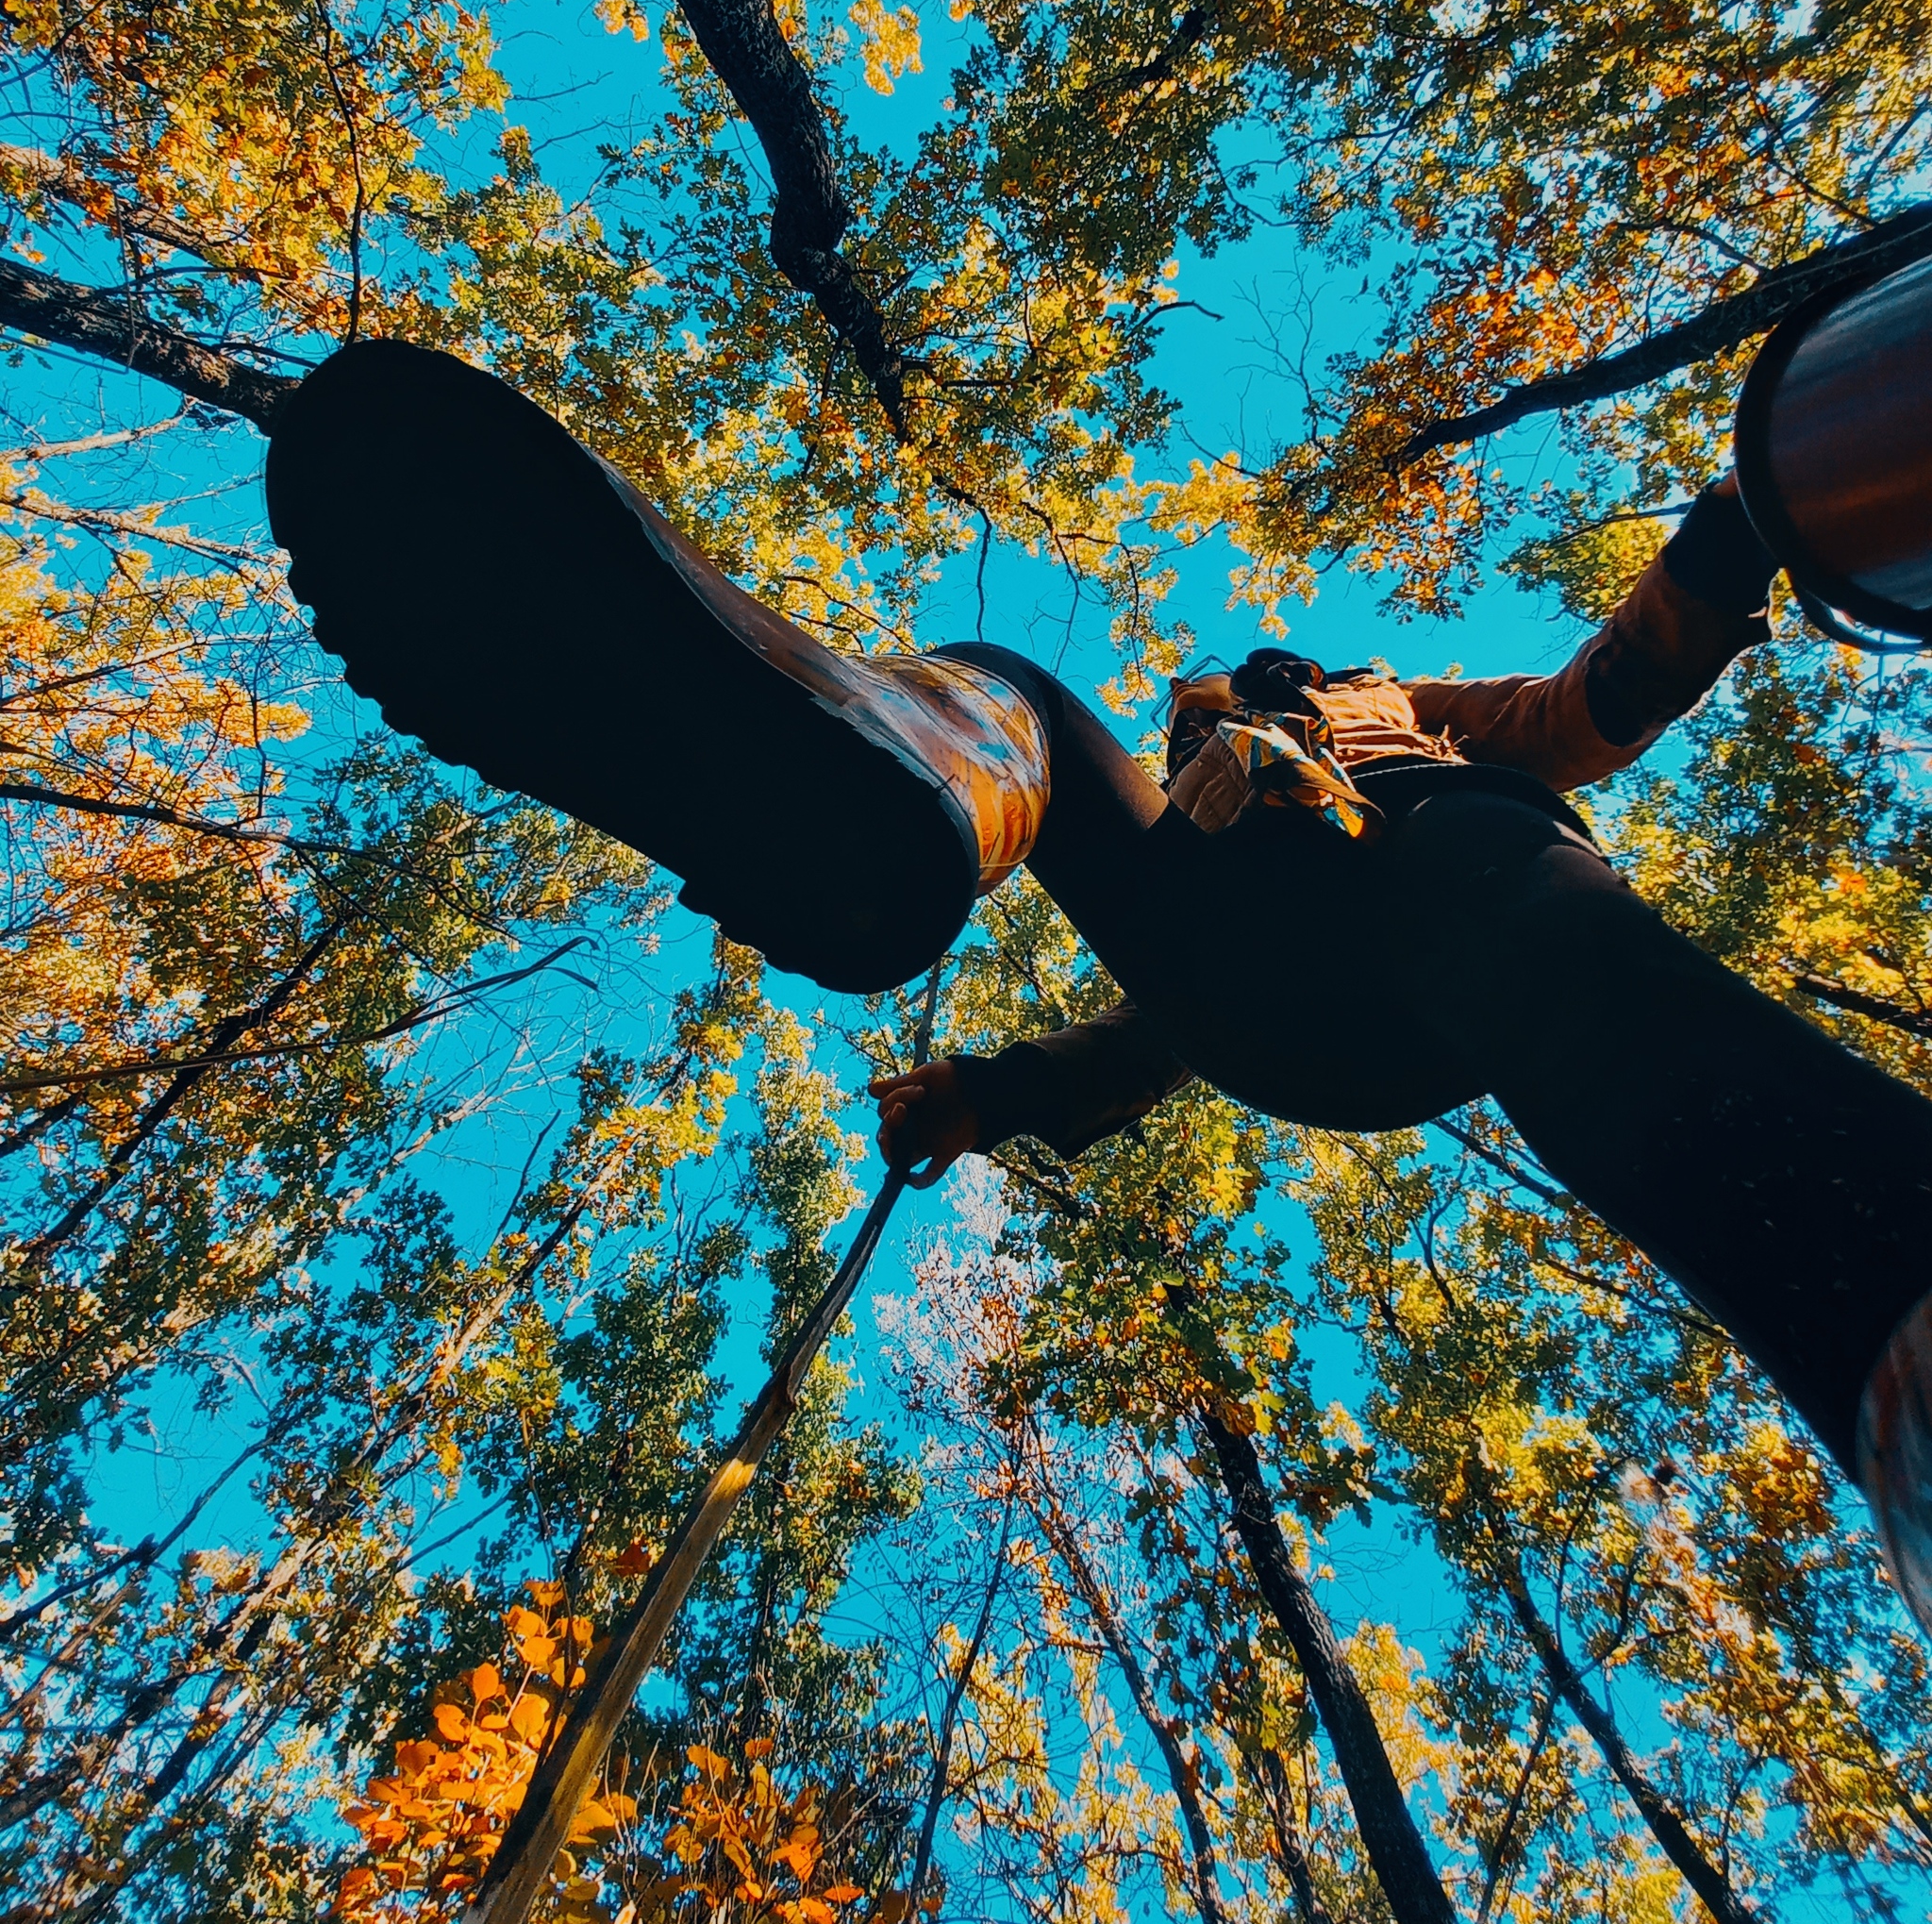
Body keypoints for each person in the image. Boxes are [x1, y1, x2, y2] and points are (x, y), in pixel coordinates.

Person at [264, 339, 1932, 1634]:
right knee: (1020, 704)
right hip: (1268, 999)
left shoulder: (1420, 712)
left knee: (1536, 923)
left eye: (1256, 684)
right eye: (1225, 694)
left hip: (1442, 919)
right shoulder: (1200, 770)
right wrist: (1000, 1094)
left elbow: (1593, 707)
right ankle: (894, 790)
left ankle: (1890, 1316)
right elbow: (1168, 1032)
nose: (1238, 690)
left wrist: (1735, 538)